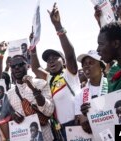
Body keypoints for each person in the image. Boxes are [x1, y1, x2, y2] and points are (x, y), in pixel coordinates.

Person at [30, 3, 81, 140]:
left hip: (78, 123)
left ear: (63, 61)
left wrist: (58, 26)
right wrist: (33, 48)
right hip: (59, 128)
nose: (51, 61)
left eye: (55, 58)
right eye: (48, 60)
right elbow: (35, 68)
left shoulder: (70, 73)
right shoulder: (48, 78)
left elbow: (70, 55)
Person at [7, 55, 54, 141]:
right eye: (13, 66)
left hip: (46, 137)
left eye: (20, 64)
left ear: (28, 66)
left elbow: (49, 111)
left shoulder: (41, 83)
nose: (17, 67)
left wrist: (34, 89)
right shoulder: (9, 94)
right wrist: (12, 113)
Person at [75, 50, 108, 134]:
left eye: (91, 63)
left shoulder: (112, 85)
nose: (86, 66)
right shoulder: (80, 94)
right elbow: (86, 128)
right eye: (84, 64)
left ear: (101, 67)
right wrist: (85, 116)